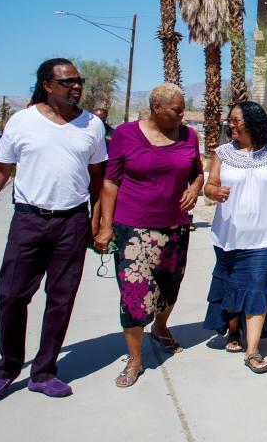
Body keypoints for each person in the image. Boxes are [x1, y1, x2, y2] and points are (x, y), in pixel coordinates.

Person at [0, 58, 107, 403]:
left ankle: (43, 371)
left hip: (72, 222)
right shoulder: (22, 122)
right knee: (11, 296)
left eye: (78, 80)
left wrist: (97, 221)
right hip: (28, 220)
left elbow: (98, 178)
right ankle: (8, 368)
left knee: (60, 299)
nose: (76, 86)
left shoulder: (91, 126)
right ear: (47, 86)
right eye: (68, 81)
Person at [93, 83, 203, 388]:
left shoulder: (189, 136)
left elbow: (197, 171)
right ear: (157, 107)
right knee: (134, 295)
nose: (182, 115)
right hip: (134, 229)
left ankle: (162, 327)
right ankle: (135, 359)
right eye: (177, 110)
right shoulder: (127, 135)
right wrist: (105, 226)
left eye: (183, 110)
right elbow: (110, 183)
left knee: (169, 287)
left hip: (176, 226)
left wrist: (194, 189)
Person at [203, 101, 267, 374]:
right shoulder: (222, 153)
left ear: (253, 122)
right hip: (229, 235)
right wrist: (214, 192)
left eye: (235, 120)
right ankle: (234, 331)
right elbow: (210, 185)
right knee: (232, 285)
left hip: (265, 235)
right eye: (229, 120)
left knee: (256, 285)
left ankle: (253, 349)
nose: (229, 125)